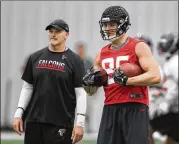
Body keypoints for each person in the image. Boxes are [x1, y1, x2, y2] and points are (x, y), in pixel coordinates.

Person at [83, 6, 161, 144]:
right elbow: (91, 92)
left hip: (135, 107)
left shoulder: (138, 46)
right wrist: (89, 84)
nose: (107, 28)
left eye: (111, 24)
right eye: (105, 24)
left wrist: (128, 80)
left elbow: (155, 76)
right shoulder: (100, 54)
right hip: (110, 108)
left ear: (123, 24)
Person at [13, 19, 87, 144]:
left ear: (67, 35)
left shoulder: (75, 60)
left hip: (61, 123)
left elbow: (80, 93)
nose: (53, 34)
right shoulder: (35, 57)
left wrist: (80, 123)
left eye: (57, 31)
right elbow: (27, 87)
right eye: (51, 31)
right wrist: (18, 113)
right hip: (34, 121)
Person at [150, 34, 179, 144]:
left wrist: (167, 103)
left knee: (146, 127)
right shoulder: (171, 62)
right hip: (173, 109)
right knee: (172, 139)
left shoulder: (175, 62)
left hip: (174, 110)